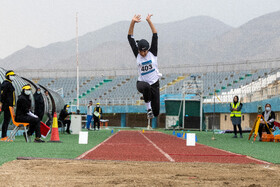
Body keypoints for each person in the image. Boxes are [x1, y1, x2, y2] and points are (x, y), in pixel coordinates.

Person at [128, 14, 162, 119]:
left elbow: (155, 35)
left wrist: (149, 21)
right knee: (146, 86)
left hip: (154, 84)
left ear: (148, 49)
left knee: (157, 113)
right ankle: (148, 109)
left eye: (145, 51)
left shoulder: (153, 53)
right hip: (142, 83)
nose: (143, 54)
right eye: (141, 52)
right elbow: (130, 37)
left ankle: (152, 109)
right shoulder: (137, 54)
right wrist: (132, 22)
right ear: (138, 50)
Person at [0, 70, 16, 141]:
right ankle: (3, 136)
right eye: (11, 75)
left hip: (8, 105)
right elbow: (2, 94)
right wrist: (1, 102)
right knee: (6, 121)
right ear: (8, 76)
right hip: (6, 105)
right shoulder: (6, 83)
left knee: (6, 121)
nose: (13, 77)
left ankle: (4, 136)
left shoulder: (9, 83)